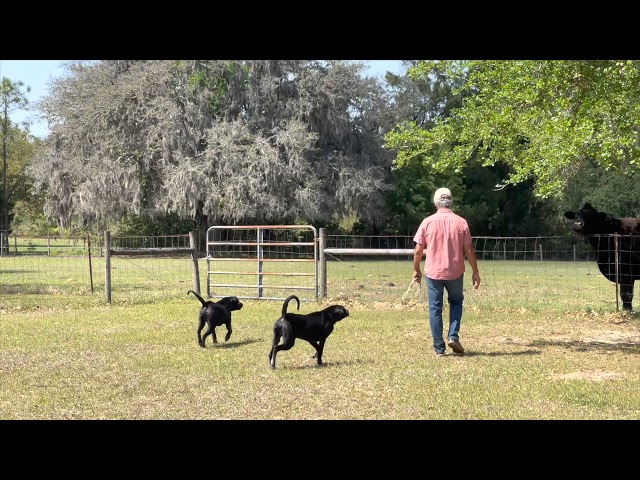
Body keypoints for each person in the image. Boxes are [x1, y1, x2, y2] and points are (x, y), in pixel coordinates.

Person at [412, 187, 481, 357]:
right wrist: (475, 271)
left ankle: (439, 348)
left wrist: (416, 270)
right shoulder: (461, 222)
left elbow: (418, 250)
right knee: (456, 303)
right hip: (455, 272)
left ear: (435, 202)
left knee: (435, 308)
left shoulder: (427, 222)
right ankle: (453, 336)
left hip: (433, 272)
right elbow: (469, 249)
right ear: (451, 201)